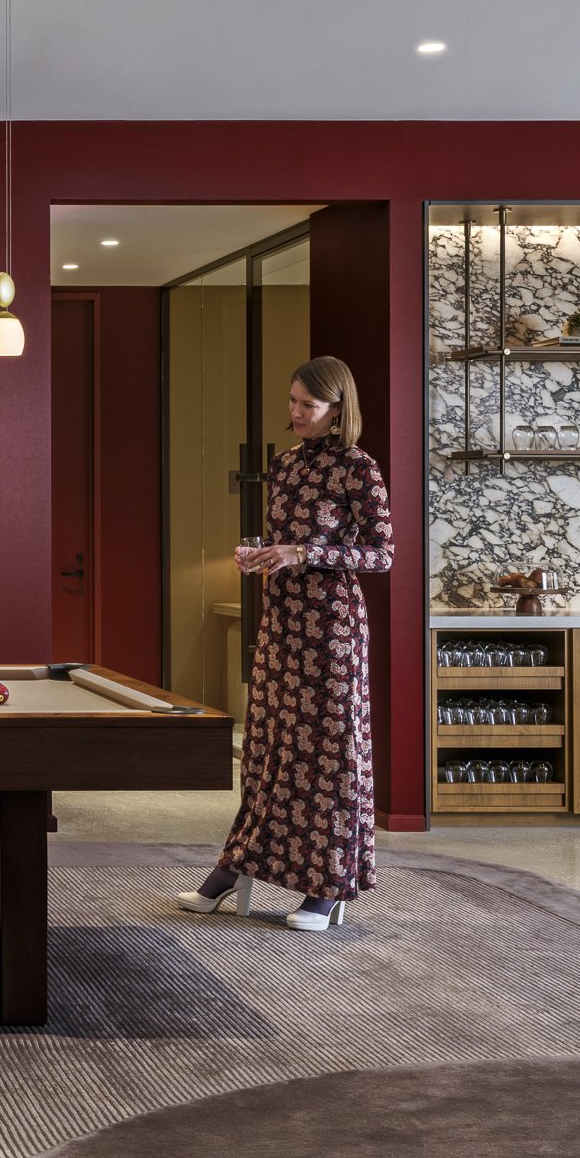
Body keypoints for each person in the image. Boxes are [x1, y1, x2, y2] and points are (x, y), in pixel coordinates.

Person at [179, 356, 393, 931]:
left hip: (332, 630)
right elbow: (284, 541)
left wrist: (306, 553)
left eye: (308, 405)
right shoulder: (286, 464)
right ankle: (237, 863)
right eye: (292, 401)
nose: (295, 413)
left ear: (337, 409)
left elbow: (380, 554)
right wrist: (261, 556)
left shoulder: (359, 468)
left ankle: (326, 886)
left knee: (327, 753)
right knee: (269, 748)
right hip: (282, 623)